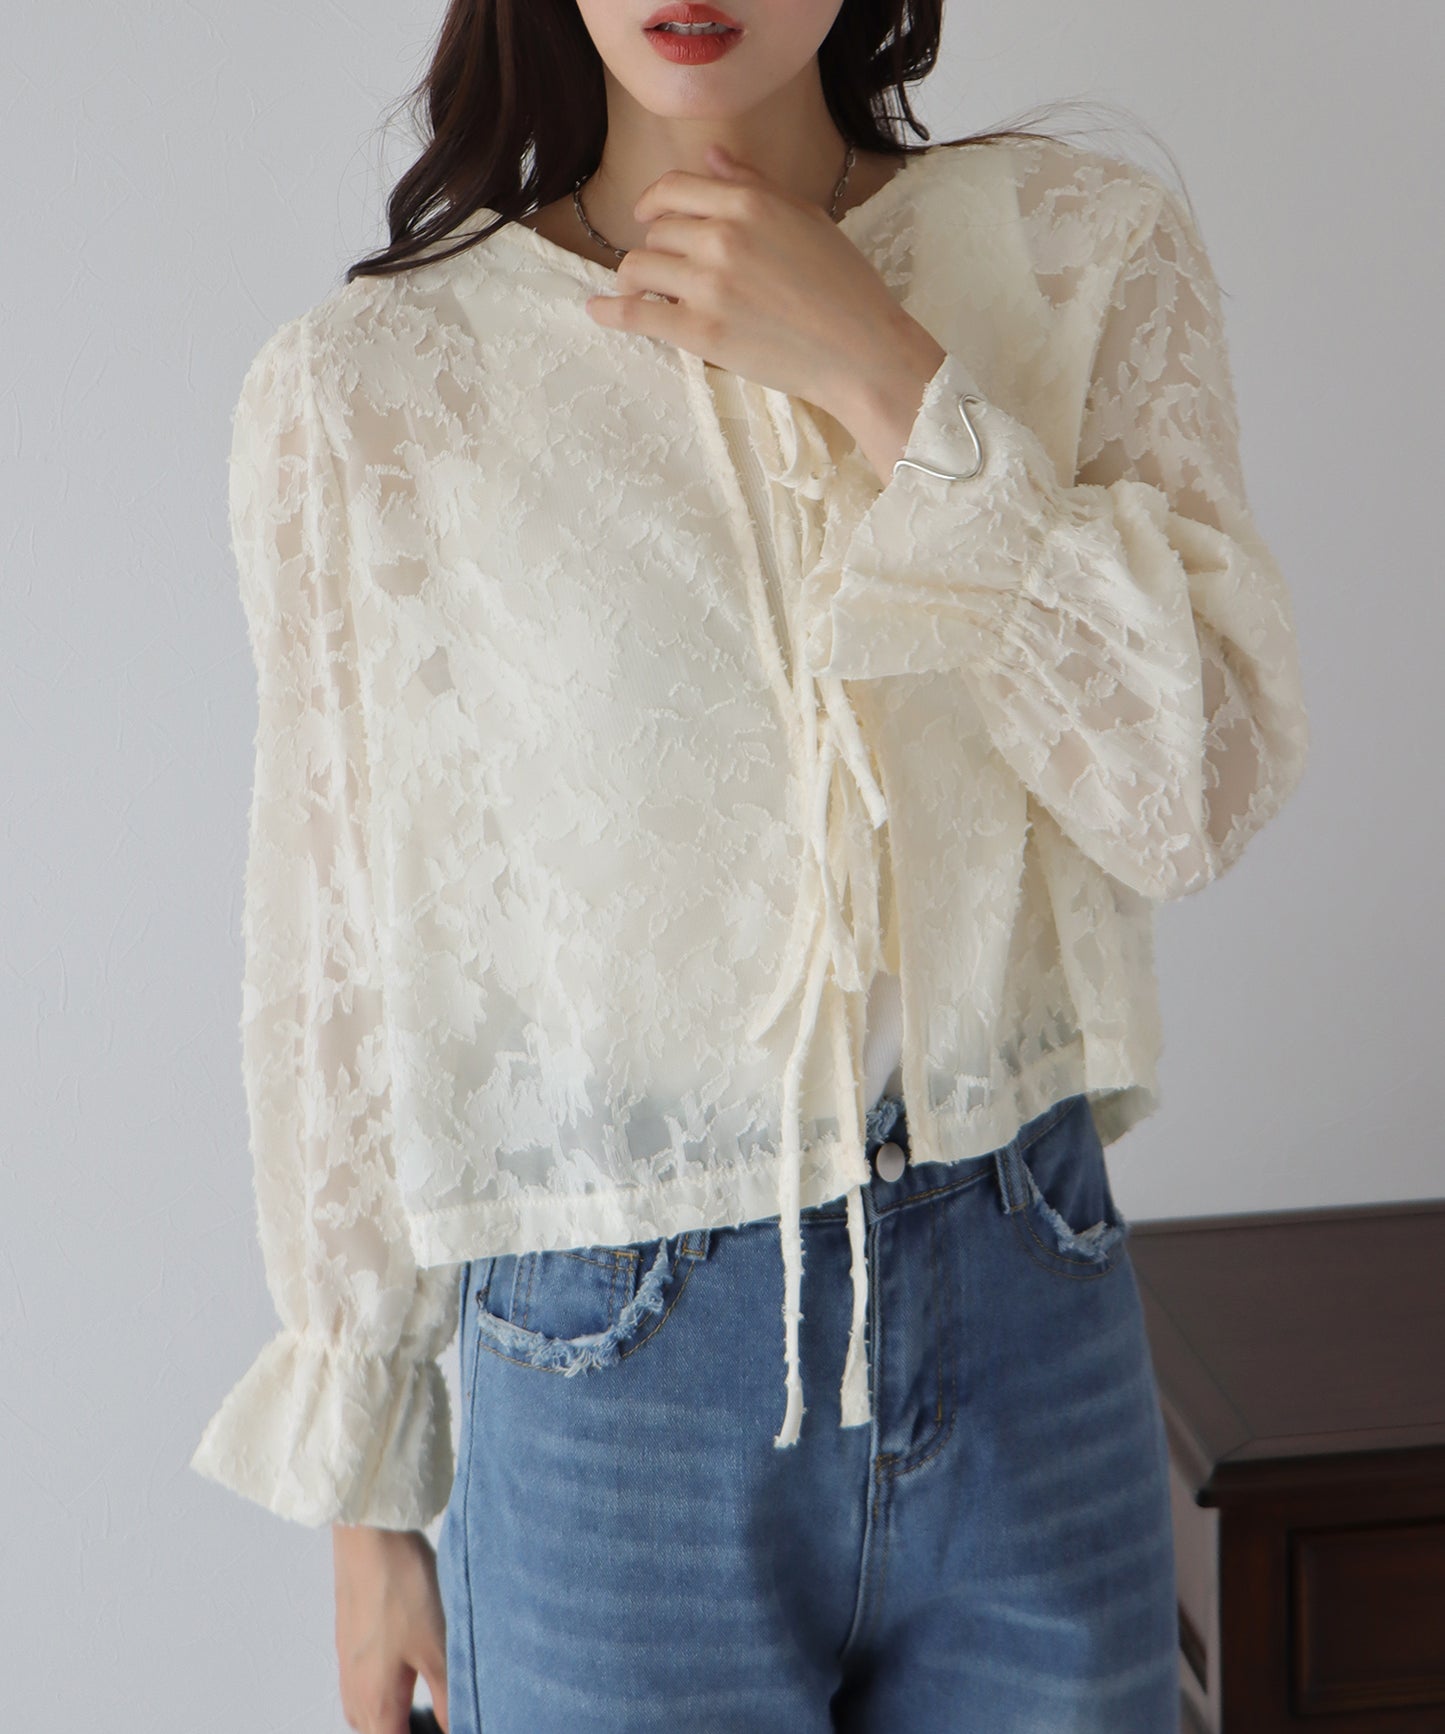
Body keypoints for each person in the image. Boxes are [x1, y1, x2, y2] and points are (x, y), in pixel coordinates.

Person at [189, 1, 1311, 1730]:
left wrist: (890, 380)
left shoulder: (1075, 257)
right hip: (607, 1379)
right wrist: (371, 1494)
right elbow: (341, 951)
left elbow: (1194, 791)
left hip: (1026, 1297)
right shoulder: (379, 387)